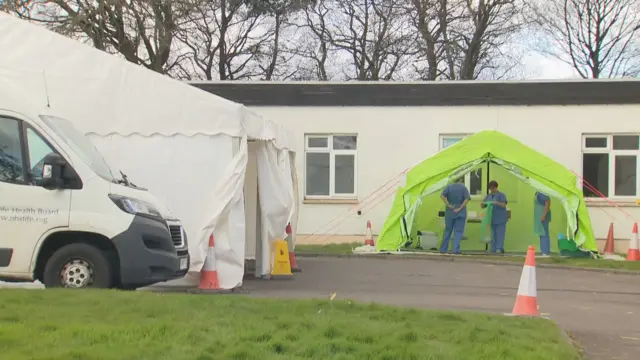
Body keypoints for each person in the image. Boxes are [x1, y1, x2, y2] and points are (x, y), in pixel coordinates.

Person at [440, 177, 471, 254]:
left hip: (450, 211)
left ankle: (443, 249)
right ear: (460, 180)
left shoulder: (449, 187)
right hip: (460, 212)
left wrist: (448, 205)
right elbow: (467, 199)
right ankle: (455, 249)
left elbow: (442, 196)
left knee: (448, 230)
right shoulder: (463, 187)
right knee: (458, 231)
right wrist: (460, 208)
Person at [481, 180, 508, 253]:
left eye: (493, 188)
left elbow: (504, 205)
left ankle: (499, 248)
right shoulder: (488, 196)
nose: (491, 190)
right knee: (493, 234)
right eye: (490, 188)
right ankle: (493, 248)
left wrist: (496, 203)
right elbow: (483, 205)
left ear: (496, 187)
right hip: (491, 218)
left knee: (500, 234)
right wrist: (483, 203)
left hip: (500, 218)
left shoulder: (501, 195)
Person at [535, 191, 552, 257]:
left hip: (543, 217)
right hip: (540, 216)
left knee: (544, 233)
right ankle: (544, 251)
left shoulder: (542, 193)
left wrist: (543, 215)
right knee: (542, 234)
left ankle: (545, 251)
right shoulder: (538, 192)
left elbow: (547, 203)